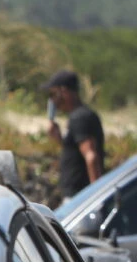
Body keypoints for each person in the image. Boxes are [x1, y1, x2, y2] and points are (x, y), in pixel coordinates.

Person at [42, 70, 105, 201]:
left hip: (80, 195)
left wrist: (97, 195)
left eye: (53, 94)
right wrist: (58, 138)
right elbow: (75, 152)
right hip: (76, 194)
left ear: (64, 91)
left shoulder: (80, 117)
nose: (52, 100)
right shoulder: (77, 116)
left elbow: (91, 156)